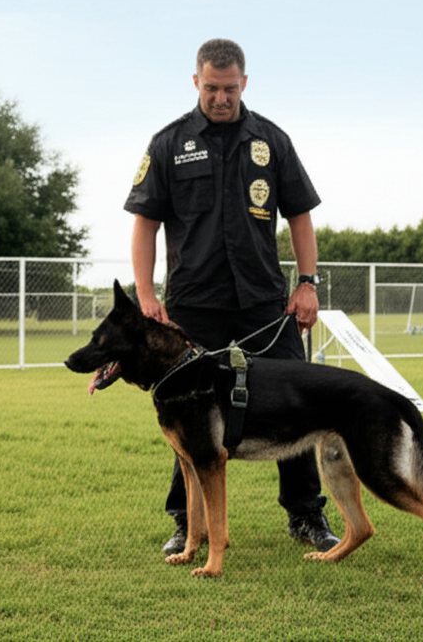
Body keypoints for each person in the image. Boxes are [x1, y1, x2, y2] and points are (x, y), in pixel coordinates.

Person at [124, 38, 338, 556]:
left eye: (231, 88)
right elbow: (144, 224)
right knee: (186, 414)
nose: (222, 97)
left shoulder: (271, 140)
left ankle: (307, 515)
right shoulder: (168, 143)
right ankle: (184, 522)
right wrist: (147, 296)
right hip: (193, 306)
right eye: (213, 88)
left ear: (245, 82)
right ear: (196, 81)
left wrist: (307, 284)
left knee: (298, 401)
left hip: (266, 301)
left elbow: (301, 216)